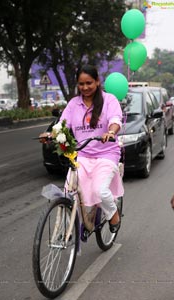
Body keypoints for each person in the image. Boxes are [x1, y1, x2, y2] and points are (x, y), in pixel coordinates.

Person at [40, 64, 124, 233]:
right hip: (82, 155)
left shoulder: (109, 100)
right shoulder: (73, 104)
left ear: (97, 82)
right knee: (69, 190)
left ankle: (113, 214)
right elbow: (61, 125)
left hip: (106, 154)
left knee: (99, 190)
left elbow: (116, 120)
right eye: (81, 84)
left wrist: (110, 131)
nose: (85, 87)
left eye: (89, 83)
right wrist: (50, 135)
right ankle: (66, 227)